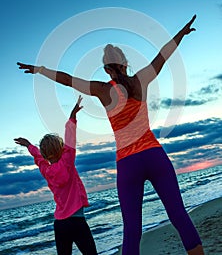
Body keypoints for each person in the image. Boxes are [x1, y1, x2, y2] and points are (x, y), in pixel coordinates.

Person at [17, 15, 204, 255]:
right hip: (154, 155)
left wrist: (38, 70)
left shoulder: (102, 89)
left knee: (132, 230)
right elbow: (163, 55)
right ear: (125, 63)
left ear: (106, 69)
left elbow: (67, 80)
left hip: (128, 164)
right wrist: (181, 33)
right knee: (178, 214)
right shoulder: (141, 80)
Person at [14, 95, 98, 255]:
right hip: (77, 221)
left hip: (60, 224)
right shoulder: (67, 161)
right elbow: (70, 138)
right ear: (61, 149)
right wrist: (72, 117)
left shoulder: (45, 170)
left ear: (46, 156)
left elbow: (38, 158)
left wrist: (29, 145)